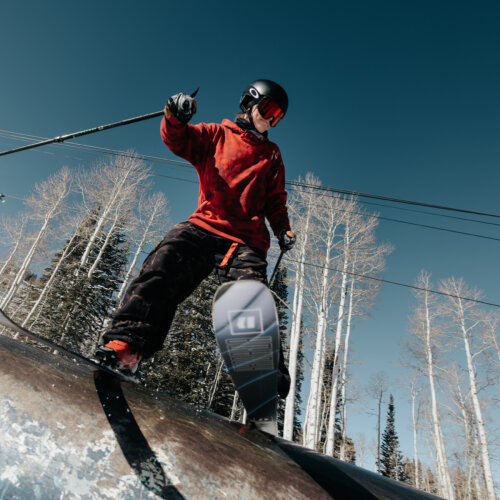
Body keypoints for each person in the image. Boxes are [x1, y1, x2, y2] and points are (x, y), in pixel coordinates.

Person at [96, 79, 296, 398]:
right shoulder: (216, 134)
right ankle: (127, 348)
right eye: (270, 110)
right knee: (164, 264)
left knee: (249, 297)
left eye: (278, 117)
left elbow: (275, 198)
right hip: (206, 224)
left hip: (246, 241)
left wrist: (282, 228)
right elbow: (179, 140)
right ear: (250, 102)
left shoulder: (272, 154)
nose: (271, 120)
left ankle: (265, 378)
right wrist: (175, 115)